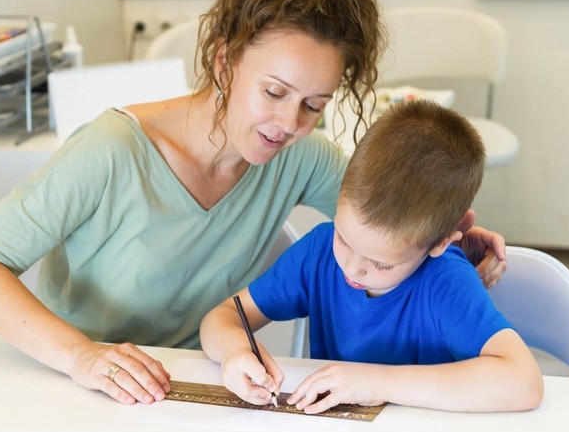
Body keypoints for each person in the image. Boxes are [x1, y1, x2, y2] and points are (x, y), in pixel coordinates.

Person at [0, 0, 506, 407]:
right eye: (274, 91)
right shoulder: (113, 150)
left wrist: (448, 234)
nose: (289, 123)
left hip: (189, 393)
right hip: (80, 389)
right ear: (223, 60)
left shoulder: (298, 157)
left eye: (314, 105)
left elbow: (387, 218)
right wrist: (79, 355)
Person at [201, 99, 543, 413]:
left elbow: (523, 382)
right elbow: (223, 317)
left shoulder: (445, 280)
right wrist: (234, 351)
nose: (352, 267)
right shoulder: (319, 253)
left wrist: (374, 382)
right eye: (343, 237)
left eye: (381, 263)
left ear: (440, 244)